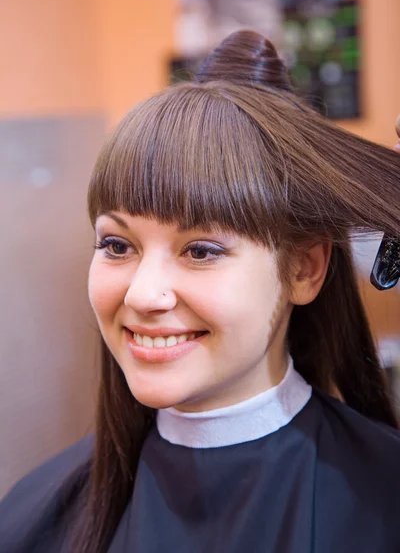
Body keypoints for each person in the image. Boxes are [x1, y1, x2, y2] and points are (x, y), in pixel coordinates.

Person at [1, 30, 400, 553]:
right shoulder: (33, 516)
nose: (143, 296)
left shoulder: (384, 505)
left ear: (304, 268)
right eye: (118, 245)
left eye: (201, 250)